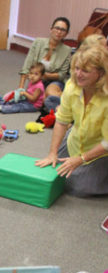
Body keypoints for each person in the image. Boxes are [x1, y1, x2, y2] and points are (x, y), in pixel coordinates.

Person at [35, 45, 108, 197]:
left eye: (85, 71)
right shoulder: (71, 85)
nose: (78, 74)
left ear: (100, 73)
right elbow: (61, 122)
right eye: (76, 68)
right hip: (76, 138)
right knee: (57, 174)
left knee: (78, 188)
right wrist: (52, 153)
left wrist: (82, 159)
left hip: (103, 149)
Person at [19, 17, 72, 112]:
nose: (59, 32)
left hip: (54, 81)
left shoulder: (67, 50)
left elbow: (62, 75)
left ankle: (63, 113)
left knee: (50, 92)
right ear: (51, 29)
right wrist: (21, 87)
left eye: (63, 30)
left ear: (66, 34)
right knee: (41, 100)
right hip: (36, 81)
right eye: (57, 28)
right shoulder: (38, 42)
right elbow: (27, 65)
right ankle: (55, 106)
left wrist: (44, 75)